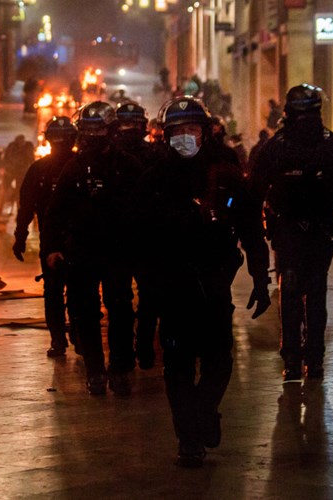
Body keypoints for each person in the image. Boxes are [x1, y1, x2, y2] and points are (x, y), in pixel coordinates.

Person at [132, 96, 271, 468]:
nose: (184, 138)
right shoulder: (154, 178)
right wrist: (146, 301)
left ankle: (205, 412)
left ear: (204, 132)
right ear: (166, 136)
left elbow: (251, 228)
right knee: (177, 367)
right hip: (171, 288)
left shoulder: (224, 173)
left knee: (218, 362)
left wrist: (261, 276)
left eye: (191, 130)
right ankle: (188, 439)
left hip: (213, 286)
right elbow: (139, 239)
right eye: (177, 131)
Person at [249, 83, 333, 382]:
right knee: (292, 288)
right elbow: (254, 193)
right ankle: (294, 355)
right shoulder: (276, 148)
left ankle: (312, 357)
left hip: (322, 229)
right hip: (287, 226)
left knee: (313, 290)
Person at [43, 102, 144, 397]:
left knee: (121, 310)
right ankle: (95, 370)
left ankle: (121, 368)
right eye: (87, 130)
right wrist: (52, 249)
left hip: (118, 252)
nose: (92, 136)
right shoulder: (73, 168)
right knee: (85, 313)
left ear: (110, 131)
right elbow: (55, 211)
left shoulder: (128, 166)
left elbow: (144, 208)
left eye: (98, 129)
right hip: (82, 253)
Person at [12, 117, 78, 358]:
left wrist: (20, 236)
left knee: (60, 292)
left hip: (70, 240)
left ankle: (64, 338)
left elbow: (26, 207)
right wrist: (20, 235)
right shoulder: (48, 169)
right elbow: (27, 206)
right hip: (59, 240)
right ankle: (64, 338)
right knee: (64, 291)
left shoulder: (44, 169)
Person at [114, 101, 162, 370]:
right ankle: (136, 350)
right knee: (135, 300)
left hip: (141, 238)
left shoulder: (155, 157)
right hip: (131, 238)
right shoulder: (153, 156)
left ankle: (136, 350)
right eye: (126, 125)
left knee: (138, 300)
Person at [0, 134, 34, 215]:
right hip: (10, 171)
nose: (20, 144)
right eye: (19, 142)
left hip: (21, 172)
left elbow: (31, 159)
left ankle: (19, 213)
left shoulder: (28, 147)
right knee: (3, 190)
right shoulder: (11, 146)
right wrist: (3, 167)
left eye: (22, 142)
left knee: (19, 193)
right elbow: (5, 157)